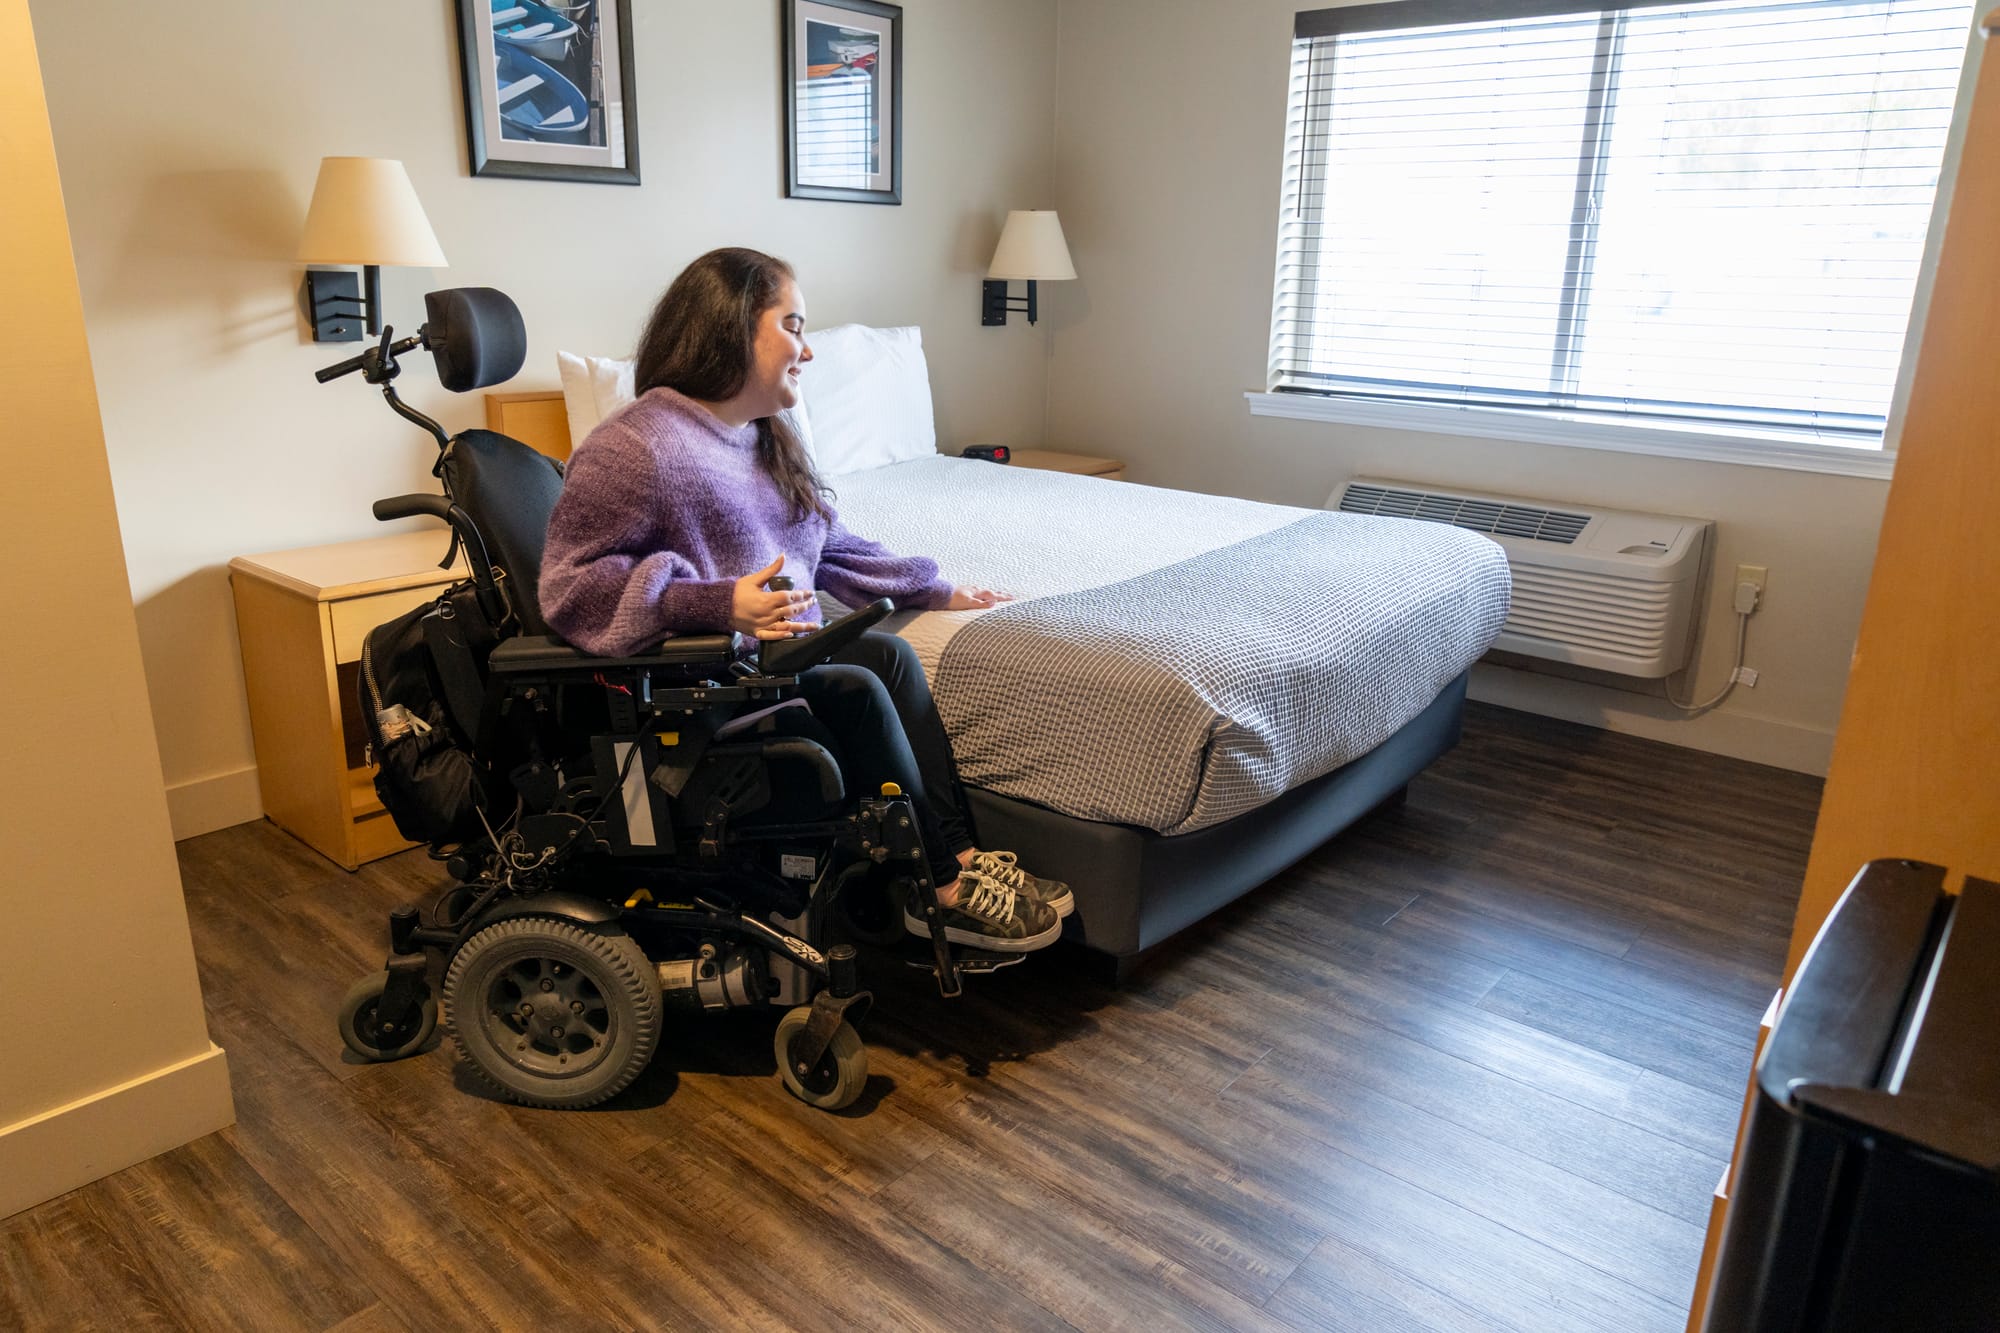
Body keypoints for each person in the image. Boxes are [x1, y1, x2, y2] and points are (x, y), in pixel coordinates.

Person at [540, 246, 1070, 953]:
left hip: (766, 666)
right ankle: (937, 889)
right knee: (858, 686)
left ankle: (960, 855)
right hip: (699, 690)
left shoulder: (761, 438)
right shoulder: (634, 447)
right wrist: (714, 604)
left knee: (891, 658)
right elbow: (569, 586)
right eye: (792, 326)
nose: (808, 350)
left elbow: (831, 546)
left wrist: (936, 587)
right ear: (732, 328)